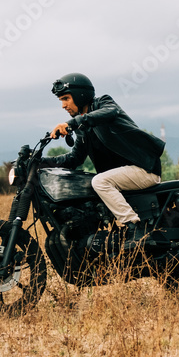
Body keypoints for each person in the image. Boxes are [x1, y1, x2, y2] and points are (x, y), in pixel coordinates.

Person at [47, 73, 165, 247]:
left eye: (66, 98)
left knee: (100, 181)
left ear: (80, 95)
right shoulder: (82, 128)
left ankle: (135, 227)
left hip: (144, 168)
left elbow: (110, 112)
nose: (63, 105)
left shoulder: (103, 103)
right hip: (124, 175)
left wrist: (72, 123)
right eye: (61, 101)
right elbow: (74, 158)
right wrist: (42, 162)